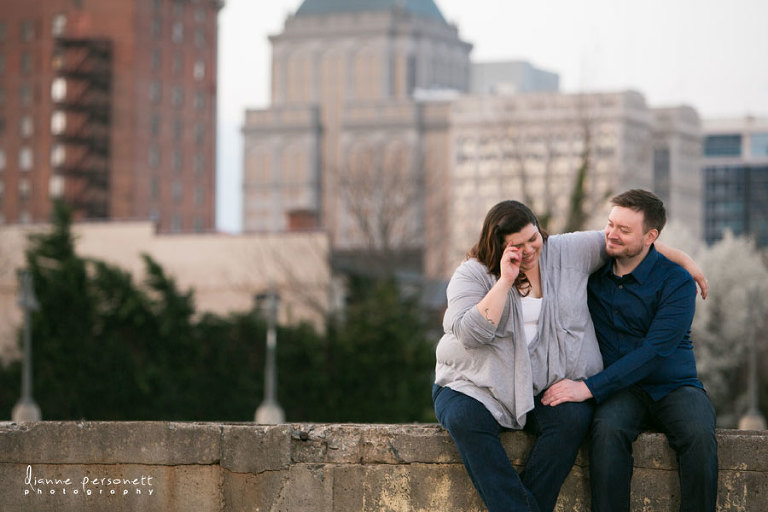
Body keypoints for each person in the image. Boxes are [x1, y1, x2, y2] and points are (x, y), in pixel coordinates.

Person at [432, 199, 707, 512]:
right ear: (498, 245)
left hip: (533, 386)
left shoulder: (566, 251)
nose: (530, 250)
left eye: (533, 238)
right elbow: (470, 334)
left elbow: (625, 244)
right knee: (465, 420)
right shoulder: (472, 274)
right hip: (472, 384)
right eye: (517, 245)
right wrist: (505, 280)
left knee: (572, 417)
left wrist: (686, 261)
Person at [542, 189, 718, 512]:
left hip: (674, 386)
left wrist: (587, 388)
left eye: (624, 230)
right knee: (606, 432)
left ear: (650, 236)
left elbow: (654, 352)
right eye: (610, 224)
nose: (611, 234)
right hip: (622, 390)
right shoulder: (594, 277)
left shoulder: (677, 282)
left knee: (700, 436)